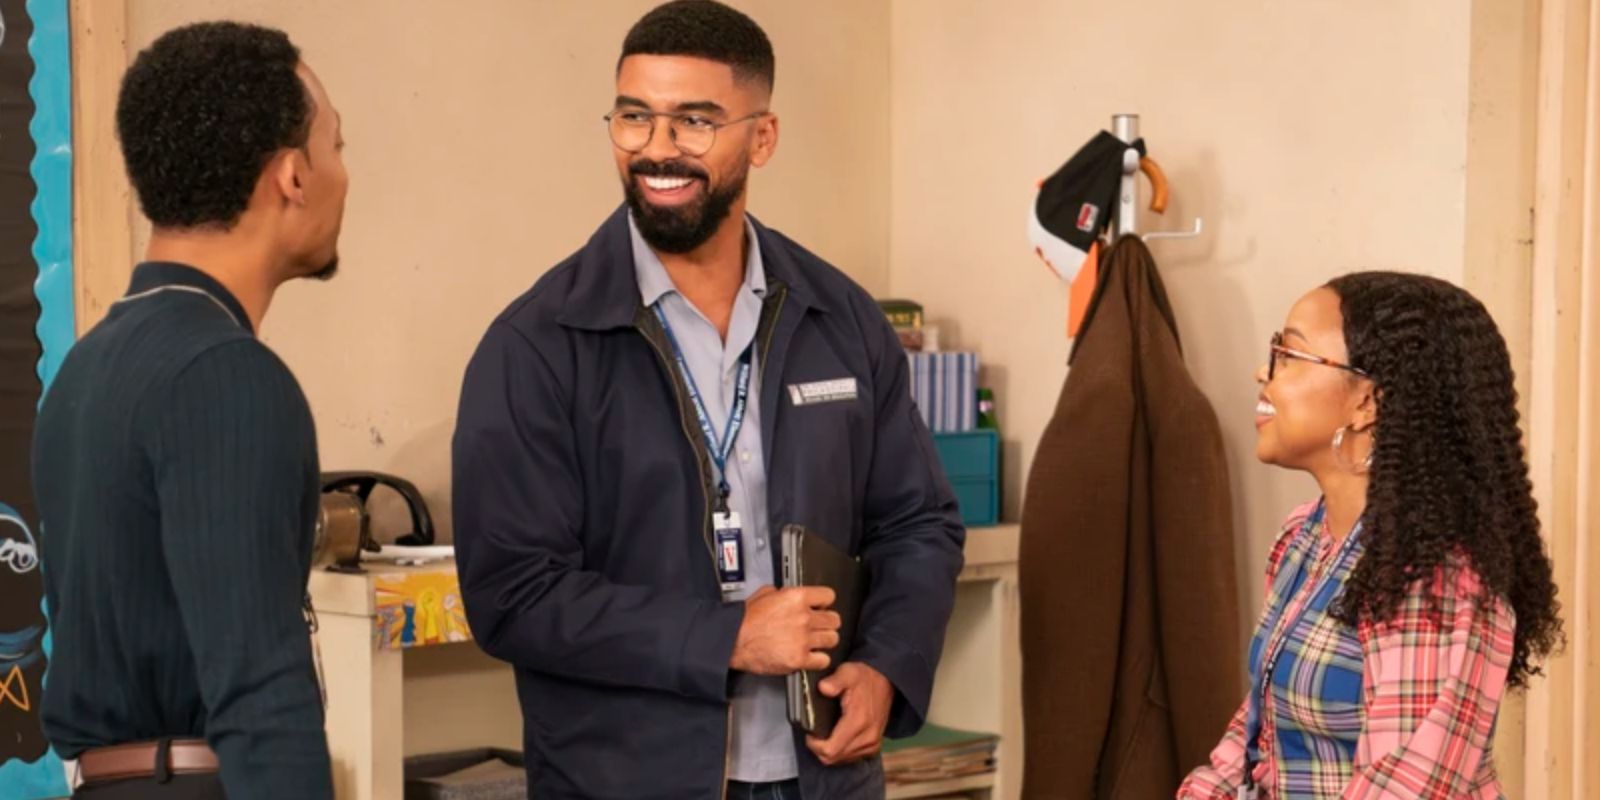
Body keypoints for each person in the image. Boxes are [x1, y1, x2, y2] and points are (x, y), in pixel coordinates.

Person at [452, 2, 966, 798]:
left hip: (821, 776)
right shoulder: (536, 344)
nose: (659, 149)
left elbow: (918, 523)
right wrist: (728, 638)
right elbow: (514, 596)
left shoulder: (842, 317)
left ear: (762, 136)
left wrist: (886, 667)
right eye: (634, 118)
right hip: (624, 780)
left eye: (695, 121)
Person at [32, 21, 347, 800]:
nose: (344, 174)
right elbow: (261, 692)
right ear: (292, 177)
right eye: (336, 146)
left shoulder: (87, 366)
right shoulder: (227, 375)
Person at [1179, 272, 1562, 799]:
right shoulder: (1302, 538)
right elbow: (1260, 727)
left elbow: (1405, 788)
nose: (1262, 373)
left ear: (1368, 402)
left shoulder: (1434, 578)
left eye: (1289, 356)